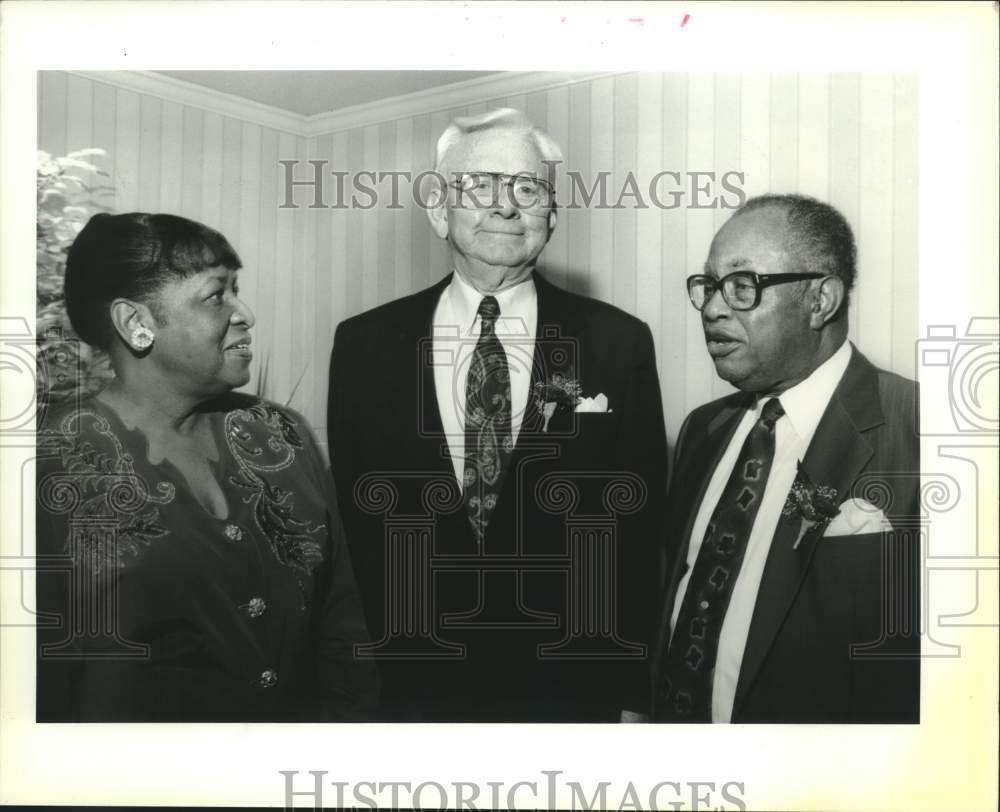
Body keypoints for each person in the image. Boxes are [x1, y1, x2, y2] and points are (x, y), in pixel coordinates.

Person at [328, 109, 669, 722]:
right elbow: (358, 532)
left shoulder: (620, 343)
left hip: (570, 686)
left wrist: (629, 695)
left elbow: (638, 537)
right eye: (479, 185)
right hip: (413, 684)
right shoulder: (363, 345)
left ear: (553, 219)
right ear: (439, 210)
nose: (505, 206)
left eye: (528, 188)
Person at [36, 212, 378, 722]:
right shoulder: (43, 466)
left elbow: (343, 626)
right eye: (217, 295)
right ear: (137, 324)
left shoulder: (282, 434)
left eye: (236, 290)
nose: (246, 314)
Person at [651, 194, 920, 723]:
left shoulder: (924, 430)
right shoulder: (703, 430)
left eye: (742, 286)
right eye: (707, 286)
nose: (712, 308)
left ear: (821, 299)